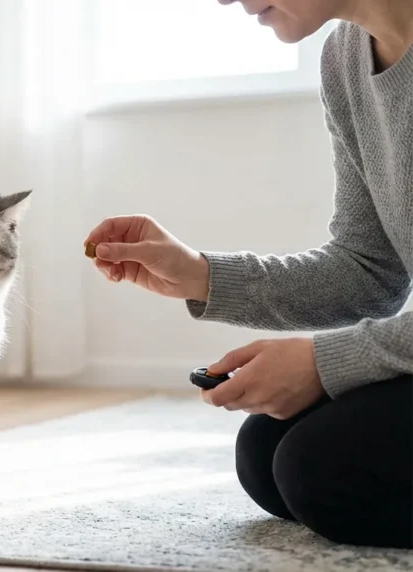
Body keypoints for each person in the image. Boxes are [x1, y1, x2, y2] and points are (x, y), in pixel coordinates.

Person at [84, 0, 412, 550]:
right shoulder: (345, 59)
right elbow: (369, 269)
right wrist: (200, 275)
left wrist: (323, 363)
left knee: (322, 471)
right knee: (266, 454)